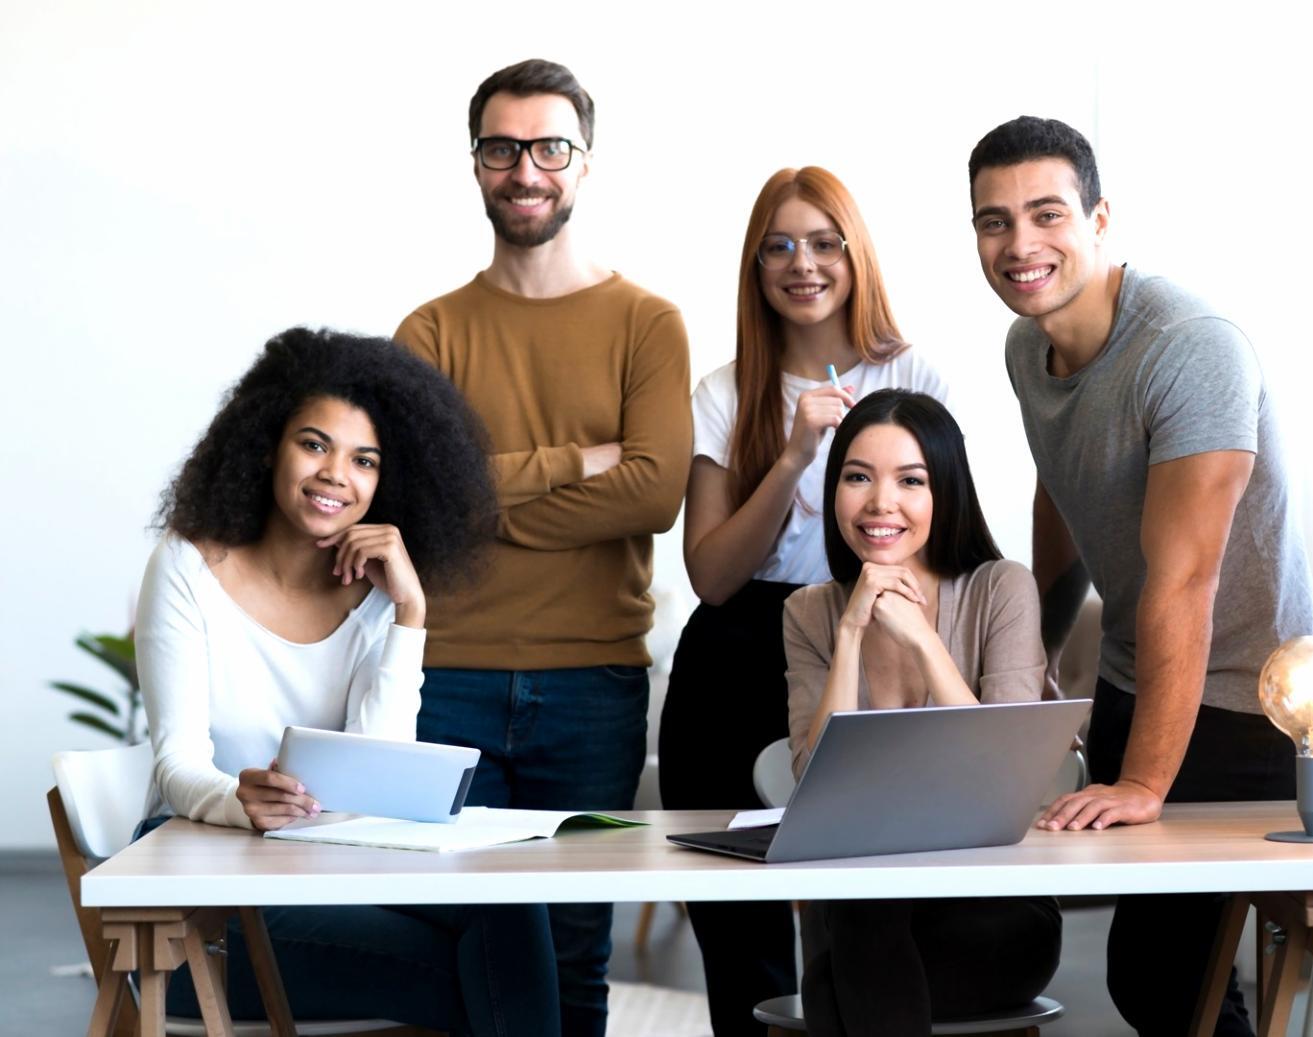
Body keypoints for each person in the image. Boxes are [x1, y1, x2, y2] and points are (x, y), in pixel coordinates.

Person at [968, 115, 1313, 1035]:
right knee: (1168, 983)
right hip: (1139, 675)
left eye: (1046, 214)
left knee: (1166, 977)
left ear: (1099, 219)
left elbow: (1187, 581)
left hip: (1252, 700)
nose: (1021, 245)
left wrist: (1144, 786)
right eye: (994, 221)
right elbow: (1064, 495)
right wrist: (1036, 658)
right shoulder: (1027, 348)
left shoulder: (1189, 348)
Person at [135, 327, 560, 1037]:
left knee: (510, 904)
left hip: (329, 869)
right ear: (267, 443)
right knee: (480, 979)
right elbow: (177, 761)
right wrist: (240, 799)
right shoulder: (188, 566)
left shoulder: (375, 598)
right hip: (199, 904)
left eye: (364, 459)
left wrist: (409, 613)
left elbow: (375, 771)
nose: (337, 473)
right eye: (314, 444)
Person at [392, 57, 691, 1037]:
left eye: (549, 146)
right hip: (451, 676)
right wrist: (577, 462)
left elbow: (651, 493)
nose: (527, 169)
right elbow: (419, 502)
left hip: (593, 683)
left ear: (585, 162)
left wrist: (483, 486)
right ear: (475, 163)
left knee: (572, 940)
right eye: (503, 147)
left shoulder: (648, 323)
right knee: (467, 933)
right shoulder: (429, 332)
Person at [656, 166, 948, 1035]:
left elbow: (951, 530)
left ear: (856, 255)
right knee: (738, 931)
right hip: (734, 653)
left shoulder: (916, 371)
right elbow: (710, 576)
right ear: (754, 268)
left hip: (865, 634)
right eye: (778, 245)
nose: (802, 262)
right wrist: (790, 456)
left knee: (858, 923)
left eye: (824, 242)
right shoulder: (722, 389)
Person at [781, 389, 1062, 1037]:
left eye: (911, 480)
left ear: (947, 492)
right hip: (866, 911)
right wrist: (852, 631)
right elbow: (811, 782)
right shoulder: (810, 613)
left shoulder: (1001, 588)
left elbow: (1003, 778)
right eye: (858, 477)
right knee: (860, 924)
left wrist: (922, 639)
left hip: (995, 908)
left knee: (834, 978)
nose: (881, 502)